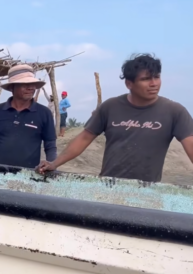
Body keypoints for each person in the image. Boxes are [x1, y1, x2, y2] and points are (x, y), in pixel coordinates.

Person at [37, 53, 193, 183]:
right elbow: (84, 138)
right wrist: (54, 163)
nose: (154, 84)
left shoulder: (174, 112)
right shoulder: (110, 107)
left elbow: (190, 145)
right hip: (108, 187)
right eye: (146, 79)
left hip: (150, 192)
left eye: (156, 77)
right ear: (129, 84)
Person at [0, 64, 57, 168]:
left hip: (29, 176)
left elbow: (50, 146)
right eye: (25, 84)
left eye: (33, 84)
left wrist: (52, 167)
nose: (31, 88)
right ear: (12, 87)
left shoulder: (44, 113)